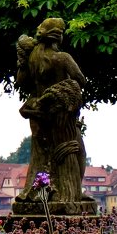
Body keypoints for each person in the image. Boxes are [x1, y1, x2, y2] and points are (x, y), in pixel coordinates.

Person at [14, 18, 91, 207]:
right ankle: (68, 192)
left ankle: (38, 192)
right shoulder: (62, 58)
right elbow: (81, 79)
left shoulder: (32, 58)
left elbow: (21, 81)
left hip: (38, 112)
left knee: (41, 154)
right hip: (59, 115)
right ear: (59, 36)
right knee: (75, 149)